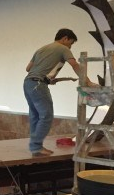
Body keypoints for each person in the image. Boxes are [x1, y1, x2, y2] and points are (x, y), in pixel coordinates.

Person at [23, 28, 97, 157]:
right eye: (71, 43)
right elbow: (74, 65)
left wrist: (47, 77)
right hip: (38, 85)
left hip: (28, 83)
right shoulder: (63, 48)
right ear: (65, 38)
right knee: (46, 116)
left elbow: (28, 68)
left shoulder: (41, 49)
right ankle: (36, 147)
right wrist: (88, 82)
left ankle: (35, 147)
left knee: (35, 115)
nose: (70, 46)